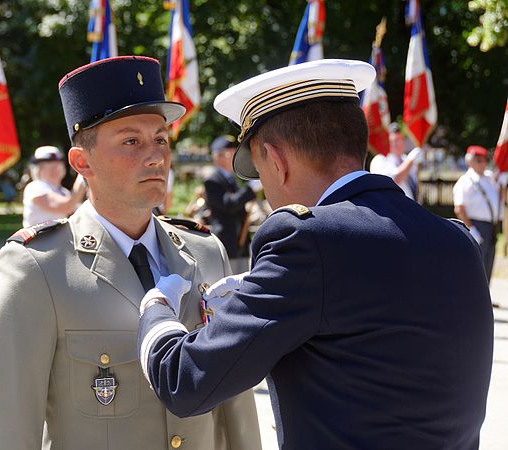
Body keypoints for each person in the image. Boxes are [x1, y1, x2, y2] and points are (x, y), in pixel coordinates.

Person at [137, 59, 494, 449]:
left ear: (276, 160)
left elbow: (184, 381)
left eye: (259, 172)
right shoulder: (457, 240)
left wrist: (157, 308)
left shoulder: (306, 240)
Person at [0, 56, 260, 450]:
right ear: (81, 162)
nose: (156, 155)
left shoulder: (205, 253)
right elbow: (4, 431)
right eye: (131, 141)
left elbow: (234, 403)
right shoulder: (37, 267)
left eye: (161, 139)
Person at [204, 135, 261, 272]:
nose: (235, 158)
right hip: (227, 241)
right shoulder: (212, 181)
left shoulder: (230, 179)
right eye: (231, 154)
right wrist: (250, 189)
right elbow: (228, 204)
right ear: (218, 157)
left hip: (240, 241)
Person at [453, 145, 502, 280]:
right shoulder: (466, 181)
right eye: (479, 160)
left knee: (488, 263)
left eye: (485, 160)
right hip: (476, 225)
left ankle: (486, 298)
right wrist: (472, 229)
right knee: (477, 266)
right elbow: (459, 208)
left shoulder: (489, 178)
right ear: (470, 161)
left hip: (491, 226)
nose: (483, 163)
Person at [22, 145, 81, 227]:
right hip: (40, 239)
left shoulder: (63, 192)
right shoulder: (35, 187)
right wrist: (82, 177)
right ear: (38, 169)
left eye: (58, 165)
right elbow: (67, 207)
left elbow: (80, 213)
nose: (57, 169)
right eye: (51, 167)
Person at [369, 122, 423, 201]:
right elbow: (395, 179)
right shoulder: (380, 160)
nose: (399, 143)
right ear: (387, 142)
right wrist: (411, 159)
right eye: (395, 140)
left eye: (401, 139)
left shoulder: (405, 159)